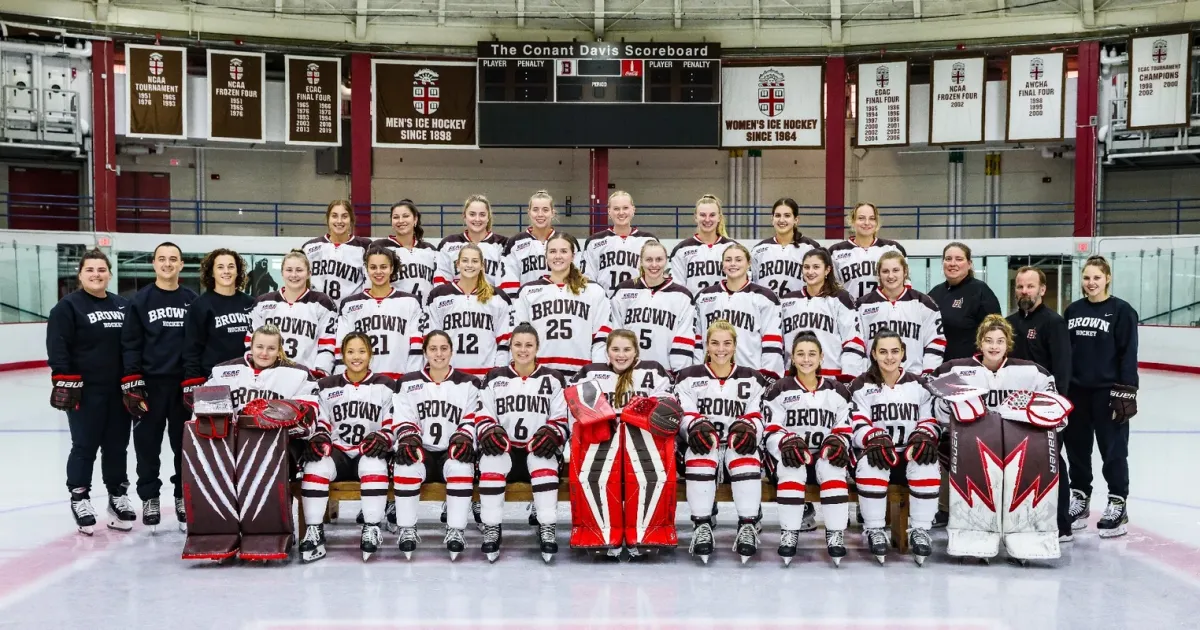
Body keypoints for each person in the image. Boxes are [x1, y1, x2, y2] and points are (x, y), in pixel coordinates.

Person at [927, 315, 1071, 562]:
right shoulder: (957, 370)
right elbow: (937, 408)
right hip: (973, 447)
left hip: (1017, 447)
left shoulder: (1031, 372)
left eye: (1000, 341)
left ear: (1008, 344)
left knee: (1046, 462)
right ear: (980, 342)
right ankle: (971, 532)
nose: (994, 346)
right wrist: (951, 406)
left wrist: (1047, 414)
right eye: (989, 340)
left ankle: (1036, 531)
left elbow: (1056, 412)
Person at [186, 323, 320, 562]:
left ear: (280, 349)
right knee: (212, 464)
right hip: (229, 443)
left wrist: (286, 415)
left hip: (279, 444)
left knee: (264, 463)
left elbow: (311, 415)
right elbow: (201, 409)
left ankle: (269, 533)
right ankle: (219, 533)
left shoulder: (298, 373)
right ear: (251, 345)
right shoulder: (223, 370)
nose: (264, 353)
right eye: (259, 347)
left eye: (271, 348)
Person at [46, 249, 136, 536]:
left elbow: (131, 345)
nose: (96, 274)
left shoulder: (123, 306)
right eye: (90, 270)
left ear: (110, 273)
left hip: (118, 391)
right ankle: (80, 498)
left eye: (101, 269)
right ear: (81, 274)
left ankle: (117, 496)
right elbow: (58, 347)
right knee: (84, 446)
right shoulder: (67, 307)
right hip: (85, 392)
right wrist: (65, 380)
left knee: (116, 446)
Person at [568, 329, 676, 555]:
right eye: (615, 349)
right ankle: (599, 530)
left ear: (636, 351)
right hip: (603, 445)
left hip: (642, 444)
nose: (621, 355)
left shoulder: (653, 371)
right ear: (606, 351)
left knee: (650, 471)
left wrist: (634, 417)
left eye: (627, 349)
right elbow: (576, 407)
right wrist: (600, 421)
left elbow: (668, 406)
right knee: (594, 472)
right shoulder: (590, 373)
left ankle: (648, 530)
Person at [390, 331, 492, 561]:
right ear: (425, 352)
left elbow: (472, 416)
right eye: (433, 349)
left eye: (444, 348)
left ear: (451, 351)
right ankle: (407, 527)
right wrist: (408, 437)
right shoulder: (408, 382)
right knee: (406, 463)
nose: (438, 353)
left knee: (461, 466)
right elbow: (403, 417)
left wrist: (464, 436)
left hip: (451, 450)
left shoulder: (468, 383)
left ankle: (455, 529)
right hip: (422, 450)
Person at [296, 332, 396, 563]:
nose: (356, 356)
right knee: (316, 462)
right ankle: (314, 529)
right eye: (350, 351)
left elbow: (394, 421)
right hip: (339, 452)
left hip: (368, 451)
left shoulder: (386, 386)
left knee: (374, 462)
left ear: (371, 354)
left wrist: (384, 437)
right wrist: (319, 437)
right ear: (342, 355)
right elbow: (320, 420)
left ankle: (371, 526)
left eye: (362, 351)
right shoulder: (326, 385)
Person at [675, 320, 770, 563]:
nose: (721, 349)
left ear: (735, 346)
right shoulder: (687, 376)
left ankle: (748, 524)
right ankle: (702, 525)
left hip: (736, 446)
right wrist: (694, 428)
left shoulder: (753, 378)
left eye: (727, 343)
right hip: (704, 446)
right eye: (715, 343)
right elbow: (684, 414)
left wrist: (749, 429)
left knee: (744, 453)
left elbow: (758, 416)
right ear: (706, 345)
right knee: (701, 451)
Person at [120, 242, 198, 533]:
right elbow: (130, 343)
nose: (167, 264)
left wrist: (194, 379)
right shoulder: (140, 301)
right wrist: (132, 381)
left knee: (185, 447)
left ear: (181, 265)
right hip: (150, 386)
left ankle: (182, 497)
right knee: (147, 447)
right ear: (154, 264)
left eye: (173, 259)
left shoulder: (192, 299)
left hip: (182, 387)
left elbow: (196, 343)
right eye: (162, 259)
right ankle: (150, 497)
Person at [477, 324, 570, 563]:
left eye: (529, 345)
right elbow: (484, 413)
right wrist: (489, 431)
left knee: (543, 457)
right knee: (491, 459)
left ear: (538, 347)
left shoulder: (554, 378)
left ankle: (547, 526)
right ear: (510, 347)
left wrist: (552, 432)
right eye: (517, 344)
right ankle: (492, 527)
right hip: (507, 450)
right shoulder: (495, 377)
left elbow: (561, 416)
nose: (523, 350)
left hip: (536, 448)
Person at [761, 332, 856, 566]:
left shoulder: (837, 391)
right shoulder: (779, 389)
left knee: (834, 466)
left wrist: (838, 442)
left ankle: (835, 533)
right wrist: (785, 443)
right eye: (800, 354)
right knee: (790, 467)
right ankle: (789, 532)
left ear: (822, 357)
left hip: (822, 456)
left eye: (812, 354)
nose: (806, 359)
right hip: (793, 456)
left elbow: (845, 427)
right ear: (792, 358)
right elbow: (771, 429)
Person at [848, 330, 940, 565]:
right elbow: (856, 424)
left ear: (903, 354)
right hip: (877, 454)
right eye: (883, 352)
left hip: (907, 453)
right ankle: (874, 528)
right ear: (874, 354)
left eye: (895, 351)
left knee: (927, 462)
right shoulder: (860, 385)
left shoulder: (918, 384)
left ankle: (921, 529)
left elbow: (930, 419)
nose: (889, 357)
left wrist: (924, 435)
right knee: (872, 463)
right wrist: (874, 437)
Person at [1063, 255, 1139, 539]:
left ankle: (1118, 503)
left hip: (1109, 393)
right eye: (1086, 277)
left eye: (1096, 277)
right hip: (1077, 393)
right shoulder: (1072, 311)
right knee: (1077, 450)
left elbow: (1128, 353)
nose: (1091, 282)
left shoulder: (1122, 311)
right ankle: (1080, 499)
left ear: (1108, 278)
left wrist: (1127, 390)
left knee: (1113, 451)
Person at [1008, 266, 1074, 542]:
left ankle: (1061, 524)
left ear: (1042, 290)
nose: (1025, 291)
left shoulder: (1053, 323)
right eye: (1020, 286)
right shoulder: (1009, 322)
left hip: (1045, 409)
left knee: (1051, 462)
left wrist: (1055, 408)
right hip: (1015, 408)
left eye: (1030, 286)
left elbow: (1062, 368)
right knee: (1021, 464)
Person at [514, 234, 612, 378]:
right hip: (539, 375)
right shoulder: (527, 292)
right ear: (545, 256)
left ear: (573, 256)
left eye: (563, 251)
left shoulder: (593, 291)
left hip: (581, 373)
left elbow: (601, 338)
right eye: (552, 251)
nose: (558, 256)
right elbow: (519, 339)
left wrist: (596, 372)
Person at [693, 243, 784, 380]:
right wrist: (698, 371)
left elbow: (772, 342)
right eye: (728, 260)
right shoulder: (703, 297)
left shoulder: (765, 297)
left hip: (750, 375)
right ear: (722, 264)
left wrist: (767, 376)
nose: (733, 264)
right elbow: (698, 340)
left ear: (748, 264)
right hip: (711, 375)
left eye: (738, 260)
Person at [335, 244, 425, 379]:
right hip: (361, 381)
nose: (378, 272)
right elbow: (341, 346)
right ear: (366, 269)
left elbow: (416, 346)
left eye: (383, 267)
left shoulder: (410, 302)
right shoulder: (350, 304)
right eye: (373, 267)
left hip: (399, 379)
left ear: (391, 268)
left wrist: (410, 380)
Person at [426, 244, 514, 378]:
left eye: (475, 261)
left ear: (482, 265)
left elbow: (504, 340)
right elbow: (431, 339)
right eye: (465, 260)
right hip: (450, 375)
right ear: (457, 264)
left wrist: (498, 372)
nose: (469, 265)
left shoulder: (497, 297)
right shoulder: (438, 296)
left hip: (486, 374)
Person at [779, 248, 866, 382]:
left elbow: (852, 341)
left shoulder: (840, 299)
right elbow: (780, 344)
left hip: (831, 379)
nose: (810, 272)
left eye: (816, 267)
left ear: (827, 270)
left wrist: (848, 378)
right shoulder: (786, 300)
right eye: (806, 267)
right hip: (794, 378)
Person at [610, 240, 697, 374]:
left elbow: (684, 338)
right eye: (649, 259)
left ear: (666, 261)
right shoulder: (623, 290)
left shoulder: (682, 295)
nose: (654, 264)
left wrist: (680, 373)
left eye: (659, 259)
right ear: (641, 261)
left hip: (664, 373)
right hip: (627, 370)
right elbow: (614, 332)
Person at [246, 249, 337, 378]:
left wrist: (320, 373)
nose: (294, 275)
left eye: (299, 270)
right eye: (289, 270)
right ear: (282, 272)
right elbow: (251, 343)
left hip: (305, 377)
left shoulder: (322, 303)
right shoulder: (263, 303)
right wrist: (256, 372)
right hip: (267, 375)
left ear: (309, 273)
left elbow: (327, 345)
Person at [856, 251, 945, 376]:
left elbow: (936, 341)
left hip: (913, 378)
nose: (890, 276)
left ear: (905, 272)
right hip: (874, 379)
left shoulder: (924, 303)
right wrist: (863, 374)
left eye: (896, 270)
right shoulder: (862, 305)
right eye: (885, 271)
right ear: (878, 275)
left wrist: (927, 374)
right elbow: (857, 344)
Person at [182, 248, 254, 398]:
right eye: (220, 267)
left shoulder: (251, 303)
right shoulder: (200, 305)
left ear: (238, 271)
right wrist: (192, 381)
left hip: (247, 380)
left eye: (231, 266)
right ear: (212, 272)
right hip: (213, 380)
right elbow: (192, 348)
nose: (226, 271)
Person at [434, 194, 519, 298]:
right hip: (457, 308)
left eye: (482, 215)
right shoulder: (448, 244)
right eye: (472, 214)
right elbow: (441, 285)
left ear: (488, 217)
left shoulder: (504, 244)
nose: (477, 219)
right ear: (464, 216)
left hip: (491, 306)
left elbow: (508, 286)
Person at [928, 242, 1002, 362]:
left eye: (959, 259)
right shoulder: (935, 293)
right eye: (948, 259)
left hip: (970, 369)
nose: (953, 263)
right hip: (938, 367)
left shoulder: (981, 292)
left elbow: (996, 333)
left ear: (969, 264)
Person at [582, 190, 659, 296]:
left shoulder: (648, 240)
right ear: (609, 211)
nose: (621, 212)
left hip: (638, 305)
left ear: (633, 210)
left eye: (625, 208)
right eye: (616, 209)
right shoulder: (594, 242)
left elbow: (656, 276)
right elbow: (587, 279)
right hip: (604, 303)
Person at [303, 200, 374, 309]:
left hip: (351, 312)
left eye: (344, 216)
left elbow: (370, 286)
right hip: (317, 312)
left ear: (351, 219)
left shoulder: (365, 247)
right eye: (334, 216)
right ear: (328, 219)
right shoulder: (309, 247)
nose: (339, 221)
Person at [503, 190, 582, 288]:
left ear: (552, 213)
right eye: (535, 210)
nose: (540, 214)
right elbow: (508, 281)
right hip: (527, 301)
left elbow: (578, 276)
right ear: (529, 212)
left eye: (545, 210)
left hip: (562, 301)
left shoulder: (568, 241)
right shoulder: (514, 243)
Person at [829, 202, 906, 301]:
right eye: (861, 218)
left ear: (877, 223)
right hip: (849, 312)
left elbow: (905, 284)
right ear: (852, 221)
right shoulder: (835, 251)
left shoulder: (893, 248)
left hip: (884, 312)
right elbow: (831, 289)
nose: (866, 223)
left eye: (872, 218)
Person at [374, 200, 439, 306]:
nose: (400, 221)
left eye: (405, 216)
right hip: (393, 313)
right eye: (395, 217)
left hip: (424, 314)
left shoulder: (430, 250)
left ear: (415, 219)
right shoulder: (380, 247)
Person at [751, 197, 821, 296]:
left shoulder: (810, 247)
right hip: (766, 309)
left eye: (787, 216)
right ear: (772, 219)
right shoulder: (758, 249)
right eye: (777, 215)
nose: (781, 220)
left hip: (799, 309)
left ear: (796, 220)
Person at [669, 194, 737, 295]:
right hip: (693, 309)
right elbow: (676, 289)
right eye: (703, 215)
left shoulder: (732, 247)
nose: (707, 219)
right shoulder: (681, 250)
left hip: (724, 309)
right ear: (695, 217)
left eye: (712, 215)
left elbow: (741, 283)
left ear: (719, 217)